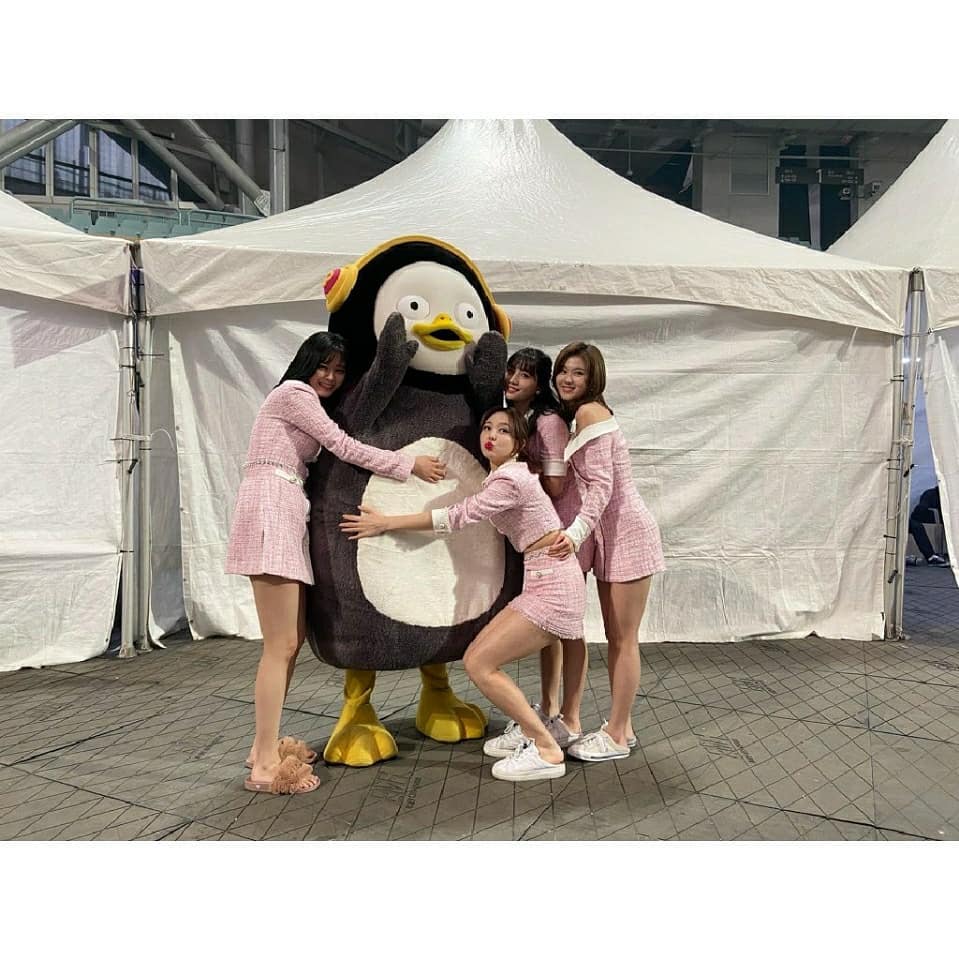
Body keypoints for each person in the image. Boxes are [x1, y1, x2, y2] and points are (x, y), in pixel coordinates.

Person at [226, 331, 446, 795]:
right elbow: (341, 444)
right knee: (280, 645)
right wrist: (408, 464)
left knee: (289, 643)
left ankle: (261, 746)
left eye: (339, 370)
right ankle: (263, 764)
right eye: (323, 365)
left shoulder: (304, 401)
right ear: (305, 363)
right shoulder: (294, 393)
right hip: (270, 507)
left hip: (286, 508)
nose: (329, 376)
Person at [340, 407, 586, 782]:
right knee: (476, 659)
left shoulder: (511, 480)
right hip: (543, 577)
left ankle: (546, 749)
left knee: (480, 665)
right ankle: (535, 731)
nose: (491, 435)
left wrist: (386, 523)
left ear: (519, 443)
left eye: (504, 431)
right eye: (487, 428)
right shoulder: (503, 477)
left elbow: (456, 516)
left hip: (553, 584)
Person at [547, 341, 666, 762]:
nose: (567, 378)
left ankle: (616, 734)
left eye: (578, 372)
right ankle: (622, 728)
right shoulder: (577, 416)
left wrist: (575, 533)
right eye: (563, 370)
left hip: (627, 533)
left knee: (623, 639)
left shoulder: (590, 413)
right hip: (607, 539)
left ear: (593, 377)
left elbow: (601, 486)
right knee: (615, 637)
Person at [488, 347, 588, 756]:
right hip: (533, 533)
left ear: (539, 382)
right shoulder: (516, 416)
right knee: (550, 629)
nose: (514, 379)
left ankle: (568, 716)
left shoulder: (547, 421)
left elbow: (558, 485)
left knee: (567, 628)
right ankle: (548, 710)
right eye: (511, 371)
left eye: (526, 375)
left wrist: (517, 474)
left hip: (560, 530)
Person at [909, 486, 948, 566]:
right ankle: (931, 556)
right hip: (928, 517)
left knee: (917, 526)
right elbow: (921, 509)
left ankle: (931, 557)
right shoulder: (931, 494)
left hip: (924, 517)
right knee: (916, 526)